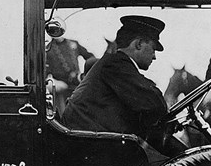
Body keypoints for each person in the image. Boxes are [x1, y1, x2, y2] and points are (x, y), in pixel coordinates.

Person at [62, 16, 181, 156]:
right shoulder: (116, 65)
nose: (154, 57)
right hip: (92, 150)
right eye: (153, 49)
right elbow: (153, 102)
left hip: (90, 145)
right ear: (139, 44)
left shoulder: (115, 65)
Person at [45, 34, 94, 115]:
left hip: (76, 80)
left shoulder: (73, 43)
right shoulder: (48, 49)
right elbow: (46, 70)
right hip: (61, 83)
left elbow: (90, 57)